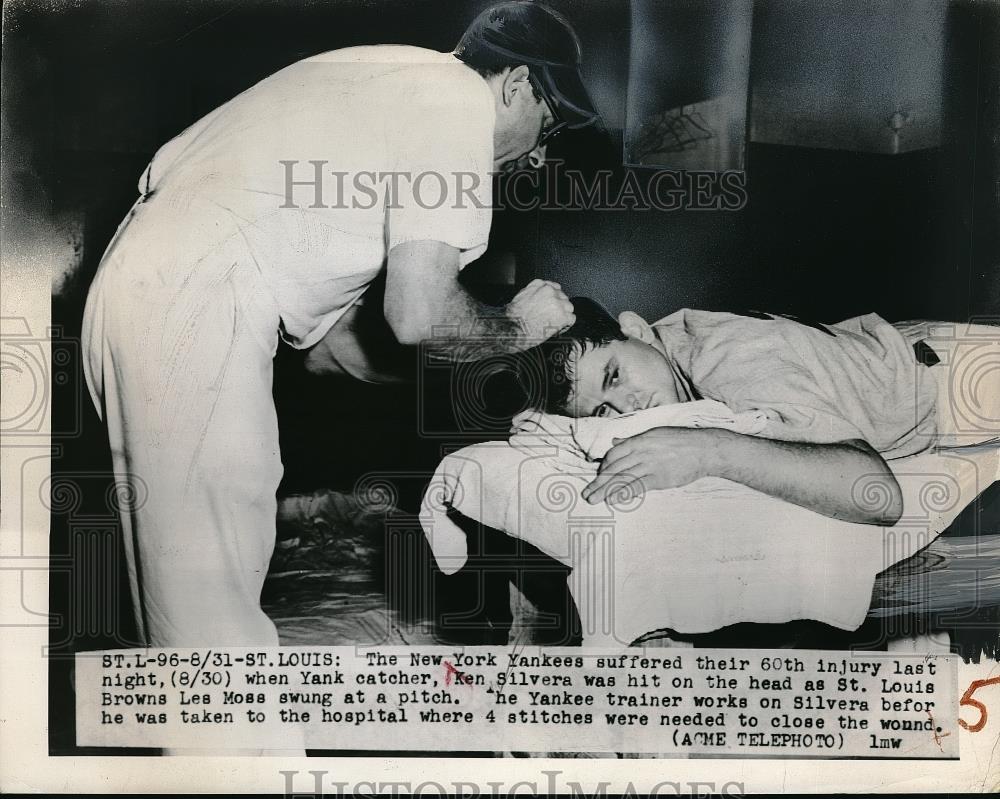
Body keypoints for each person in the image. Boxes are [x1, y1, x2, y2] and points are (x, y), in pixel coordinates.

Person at [81, 2, 600, 647]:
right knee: (210, 599)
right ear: (517, 84)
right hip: (191, 298)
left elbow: (335, 352)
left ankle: (212, 739)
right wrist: (519, 328)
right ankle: (243, 748)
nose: (539, 159)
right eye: (546, 129)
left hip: (144, 286)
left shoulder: (385, 83)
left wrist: (463, 380)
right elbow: (418, 316)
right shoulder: (457, 99)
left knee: (180, 587)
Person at [521, 297, 1000, 523]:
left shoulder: (725, 357)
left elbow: (876, 494)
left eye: (614, 377)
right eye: (604, 411)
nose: (629, 407)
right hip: (912, 347)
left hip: (962, 379)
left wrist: (711, 451)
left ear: (637, 330)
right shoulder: (667, 349)